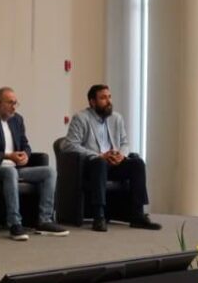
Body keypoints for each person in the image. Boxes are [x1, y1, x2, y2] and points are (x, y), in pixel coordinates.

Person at [0, 87, 69, 241]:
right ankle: (15, 223)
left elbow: (25, 144)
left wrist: (26, 155)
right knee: (11, 172)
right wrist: (6, 156)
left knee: (50, 172)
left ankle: (45, 220)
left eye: (16, 103)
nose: (14, 107)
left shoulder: (17, 120)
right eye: (10, 103)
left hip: (16, 167)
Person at [62, 84, 161, 231]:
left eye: (109, 97)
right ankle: (99, 217)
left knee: (137, 164)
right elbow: (69, 145)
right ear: (92, 102)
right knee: (100, 163)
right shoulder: (81, 118)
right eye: (103, 98)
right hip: (92, 165)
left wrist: (121, 155)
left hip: (114, 163)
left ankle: (137, 216)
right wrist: (99, 155)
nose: (108, 101)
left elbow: (125, 143)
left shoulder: (116, 118)